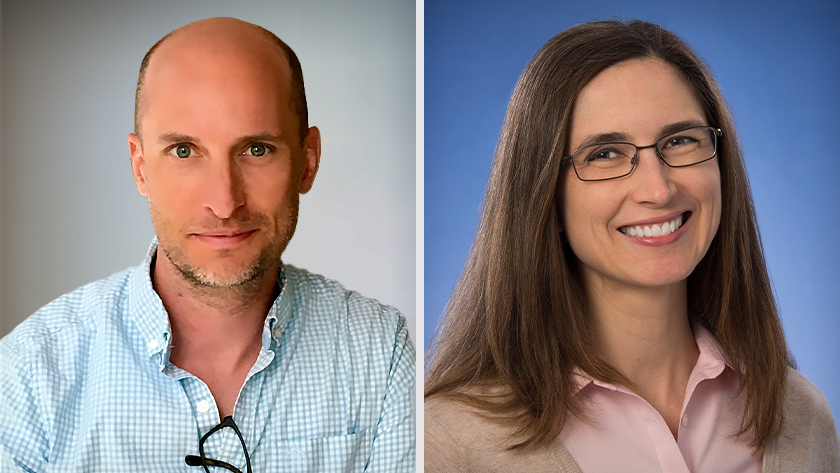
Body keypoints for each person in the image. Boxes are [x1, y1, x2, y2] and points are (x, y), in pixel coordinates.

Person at [0, 17, 414, 472]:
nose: (224, 202)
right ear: (140, 166)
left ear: (307, 161)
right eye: (184, 151)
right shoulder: (28, 376)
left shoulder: (379, 352)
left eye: (256, 149)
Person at [425, 19, 838, 472]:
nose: (658, 190)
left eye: (680, 141)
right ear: (544, 198)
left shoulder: (803, 416)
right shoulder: (447, 443)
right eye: (605, 153)